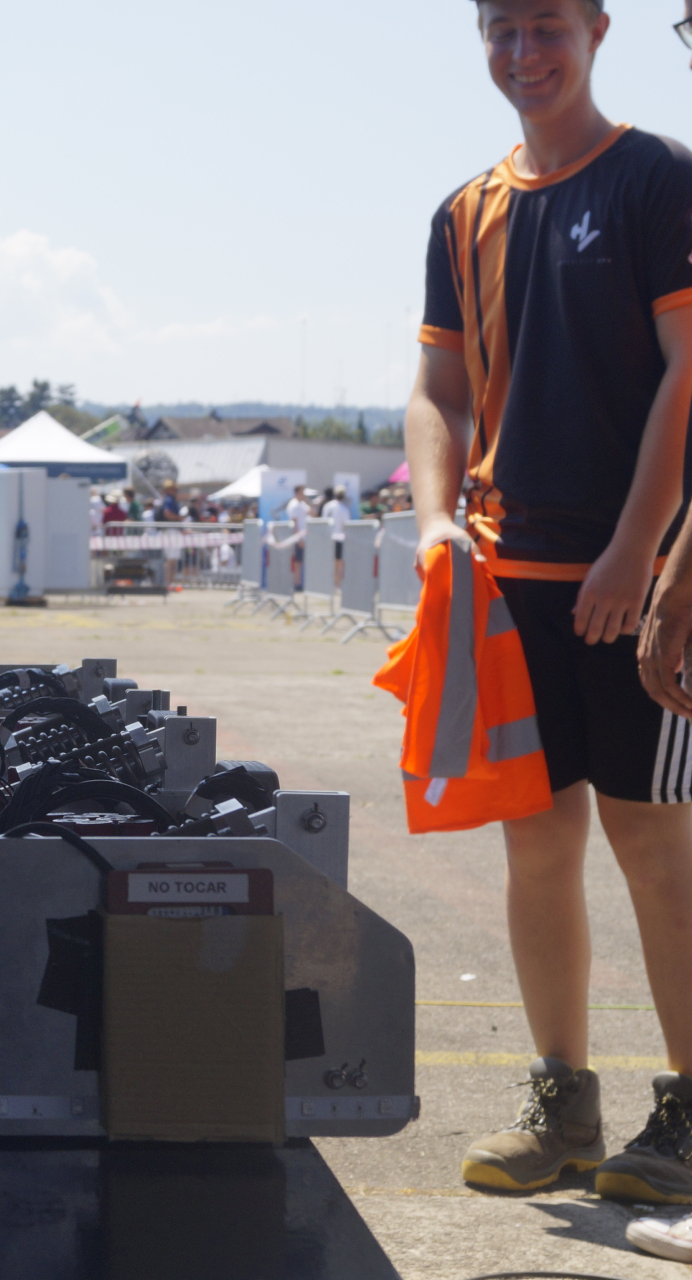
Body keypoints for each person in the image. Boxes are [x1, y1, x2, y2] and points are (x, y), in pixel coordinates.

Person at [404, 0, 692, 1206]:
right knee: (537, 839)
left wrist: (640, 547)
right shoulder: (465, 210)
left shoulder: (655, 179)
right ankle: (563, 1099)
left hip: (639, 584)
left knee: (654, 842)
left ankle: (685, 1111)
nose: (524, 55)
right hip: (502, 581)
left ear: (599, 29)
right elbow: (437, 388)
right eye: (502, 30)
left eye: (547, 28)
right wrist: (432, 521)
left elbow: (691, 371)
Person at [320, 486, 351, 590]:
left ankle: (329, 584)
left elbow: (324, 521)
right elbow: (345, 525)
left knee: (330, 562)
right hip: (338, 538)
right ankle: (337, 585)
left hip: (328, 537)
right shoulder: (344, 508)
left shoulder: (327, 506)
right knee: (338, 563)